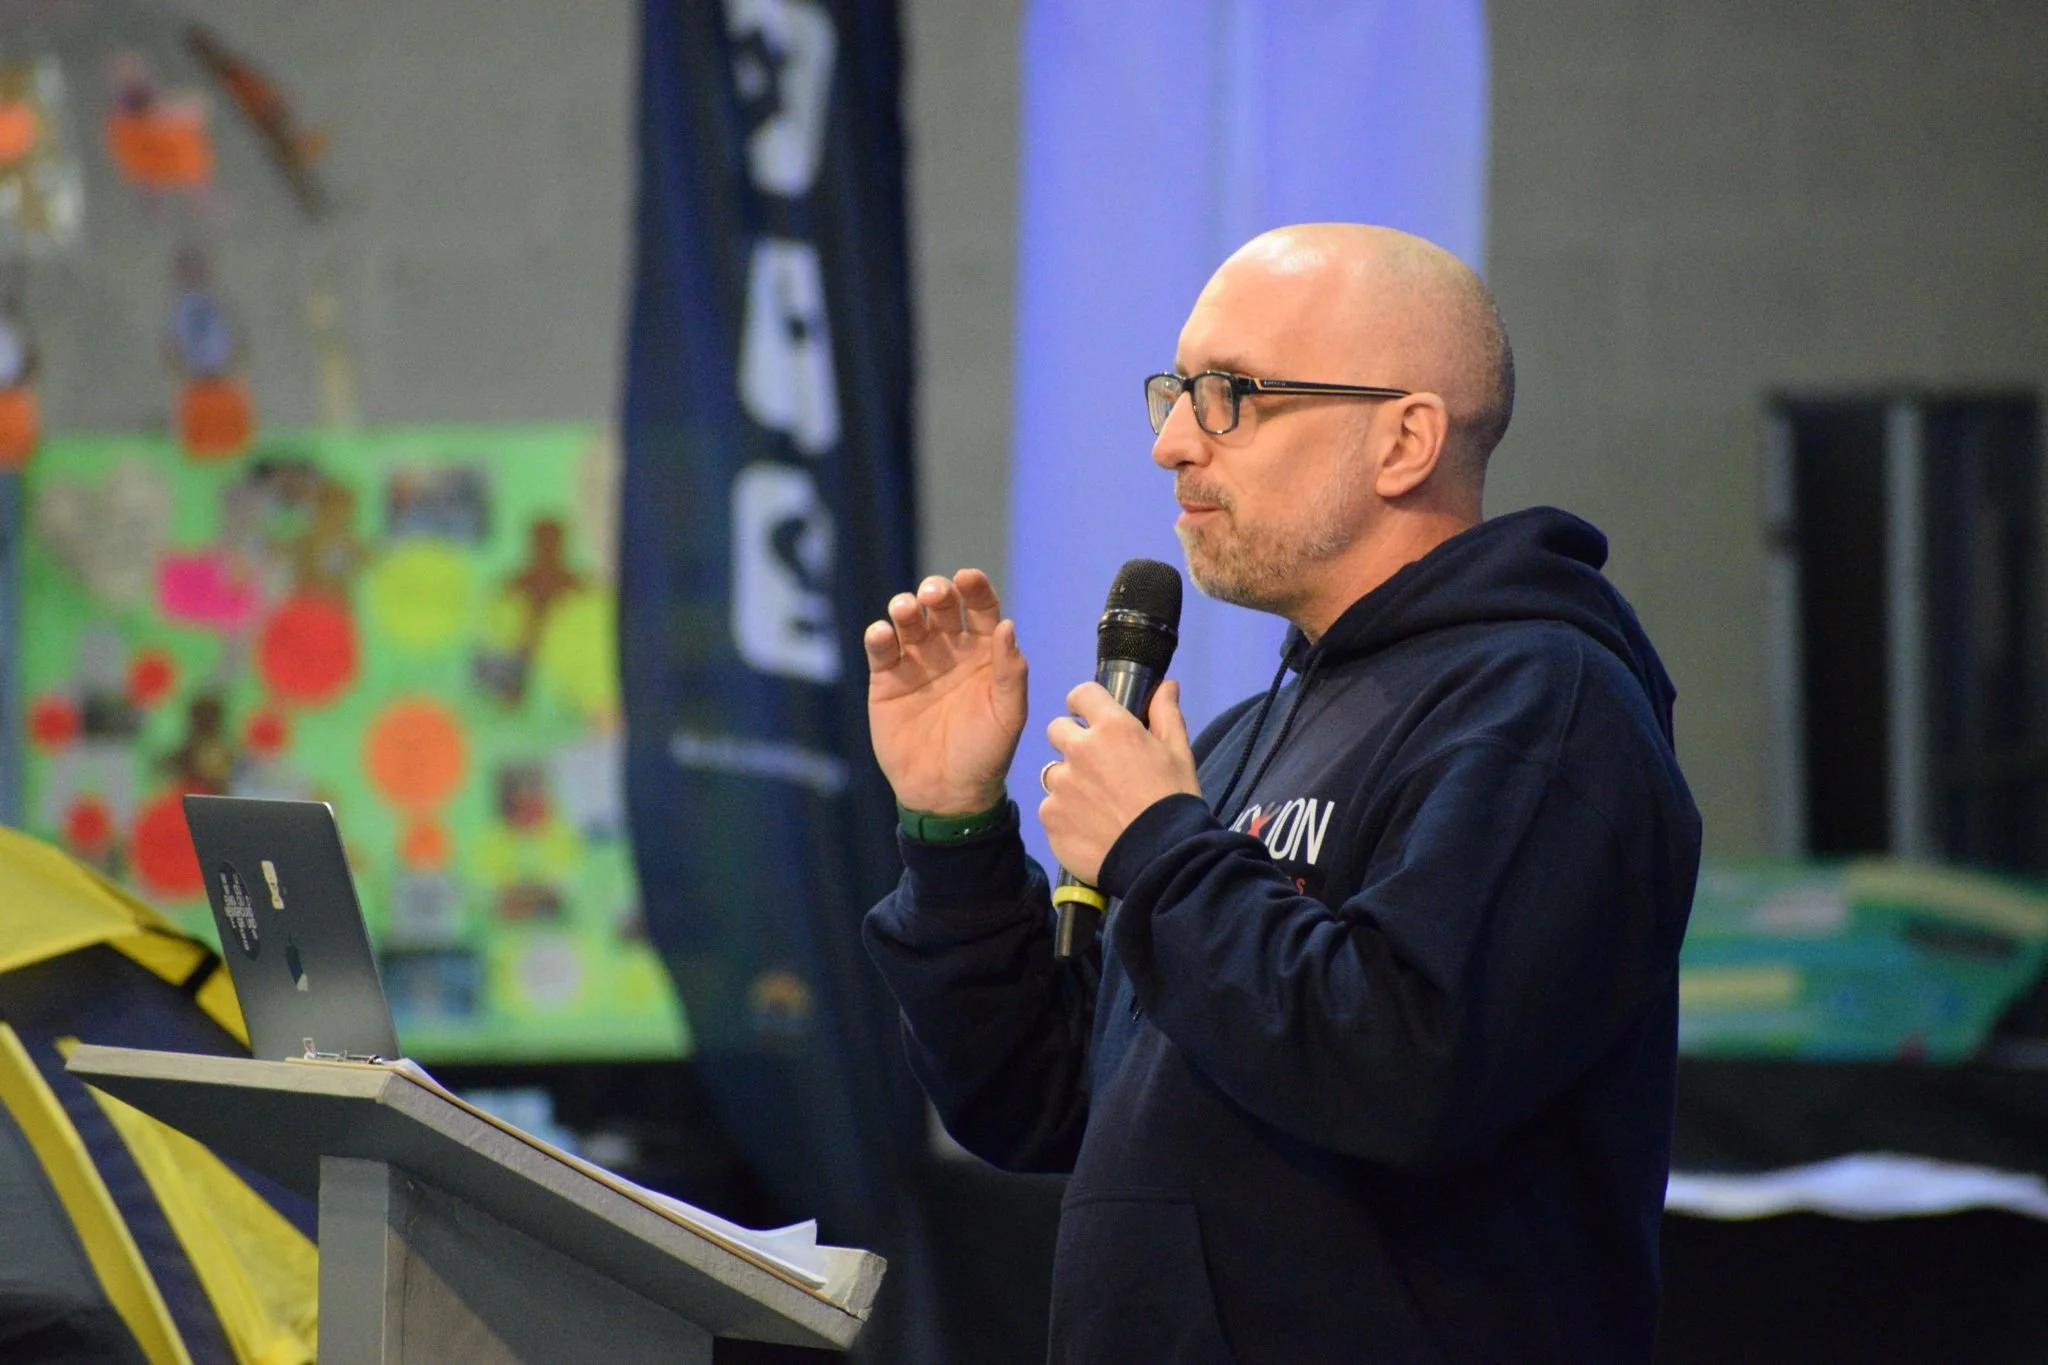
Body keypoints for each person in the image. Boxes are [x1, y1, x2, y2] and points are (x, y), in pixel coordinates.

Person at [861, 223, 1701, 1364]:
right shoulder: (1250, 738)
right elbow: (1046, 1098)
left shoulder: (1542, 706)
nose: (1169, 443)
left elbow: (1409, 1063)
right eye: (1172, 391)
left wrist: (1157, 848)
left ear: (1402, 440)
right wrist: (954, 828)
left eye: (1229, 395)